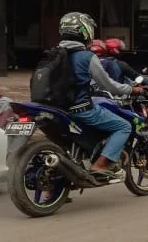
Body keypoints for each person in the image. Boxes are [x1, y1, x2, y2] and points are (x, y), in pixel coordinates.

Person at [58, 12, 142, 181]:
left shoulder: (54, 54)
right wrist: (130, 90)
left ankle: (52, 190)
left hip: (58, 108)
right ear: (84, 31)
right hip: (81, 109)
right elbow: (108, 85)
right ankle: (101, 165)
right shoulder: (87, 56)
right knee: (123, 126)